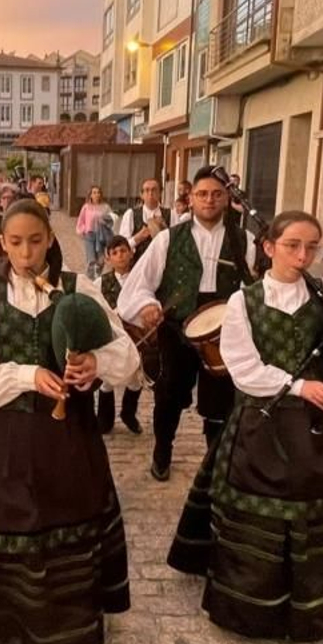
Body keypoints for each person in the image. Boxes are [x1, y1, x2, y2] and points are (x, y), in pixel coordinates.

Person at [173, 210, 323, 642]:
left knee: (314, 511)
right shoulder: (245, 300)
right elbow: (243, 368)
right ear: (269, 247)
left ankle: (308, 606)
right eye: (293, 246)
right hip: (262, 423)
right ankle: (252, 610)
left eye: (311, 247)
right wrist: (298, 386)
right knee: (259, 514)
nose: (303, 256)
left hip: (320, 426)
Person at [0, 199, 139, 644]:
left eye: (35, 240)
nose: (26, 252)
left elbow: (126, 354)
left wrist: (95, 364)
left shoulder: (79, 287)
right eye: (15, 242)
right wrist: (28, 375)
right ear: (1, 245)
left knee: (62, 520)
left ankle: (58, 633)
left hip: (65, 440)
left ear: (50, 238)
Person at [116, 167, 255, 481]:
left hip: (223, 331)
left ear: (227, 198)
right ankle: (162, 450)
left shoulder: (243, 239)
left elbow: (253, 289)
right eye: (202, 194)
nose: (209, 200)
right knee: (169, 395)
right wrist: (147, 306)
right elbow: (138, 285)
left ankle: (213, 463)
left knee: (220, 400)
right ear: (190, 198)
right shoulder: (168, 239)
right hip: (177, 329)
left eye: (217, 194)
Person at [95, 235, 143, 435]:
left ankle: (128, 413)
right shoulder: (101, 283)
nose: (120, 256)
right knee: (108, 378)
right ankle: (104, 419)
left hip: (136, 337)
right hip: (112, 338)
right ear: (108, 258)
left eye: (123, 251)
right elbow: (94, 307)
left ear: (131, 253)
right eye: (115, 253)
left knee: (135, 379)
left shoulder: (140, 279)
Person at [118, 177, 172, 263]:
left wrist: (164, 231)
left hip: (164, 264)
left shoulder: (171, 214)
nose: (150, 193)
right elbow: (121, 246)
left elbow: (178, 244)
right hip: (137, 264)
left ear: (160, 193)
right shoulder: (131, 214)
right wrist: (137, 238)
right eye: (147, 190)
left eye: (154, 190)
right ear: (141, 195)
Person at [75, 185, 113, 278]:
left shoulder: (106, 207)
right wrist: (84, 230)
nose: (96, 194)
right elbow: (81, 221)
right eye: (94, 192)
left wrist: (105, 221)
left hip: (101, 236)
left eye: (98, 192)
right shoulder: (86, 207)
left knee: (101, 260)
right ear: (90, 195)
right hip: (90, 236)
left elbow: (112, 219)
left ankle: (97, 278)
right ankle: (90, 281)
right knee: (91, 261)